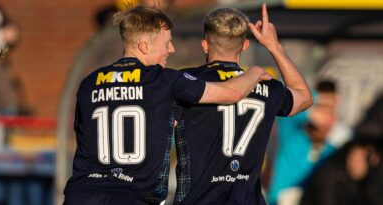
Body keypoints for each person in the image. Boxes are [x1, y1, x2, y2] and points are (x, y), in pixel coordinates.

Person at [63, 5, 271, 205]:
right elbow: (232, 93)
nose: (171, 50)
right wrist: (254, 72)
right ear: (144, 46)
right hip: (133, 197)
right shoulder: (164, 81)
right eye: (166, 43)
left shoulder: (89, 83)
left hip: (80, 195)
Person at [173, 4, 312, 205]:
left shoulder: (188, 83)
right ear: (245, 45)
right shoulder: (266, 86)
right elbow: (304, 97)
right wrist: (274, 46)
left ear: (205, 45)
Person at [267, 79, 352, 205]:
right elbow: (286, 108)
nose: (326, 115)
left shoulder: (333, 148)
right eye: (322, 108)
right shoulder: (292, 133)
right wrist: (316, 101)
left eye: (331, 110)